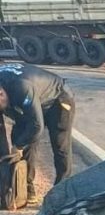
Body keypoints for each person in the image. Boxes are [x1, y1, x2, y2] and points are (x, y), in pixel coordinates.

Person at [0, 62, 76, 203]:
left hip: (58, 99)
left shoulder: (21, 86)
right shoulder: (5, 89)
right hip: (33, 100)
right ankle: (26, 190)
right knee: (22, 138)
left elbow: (36, 125)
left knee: (60, 145)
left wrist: (18, 146)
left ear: (1, 94)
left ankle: (62, 193)